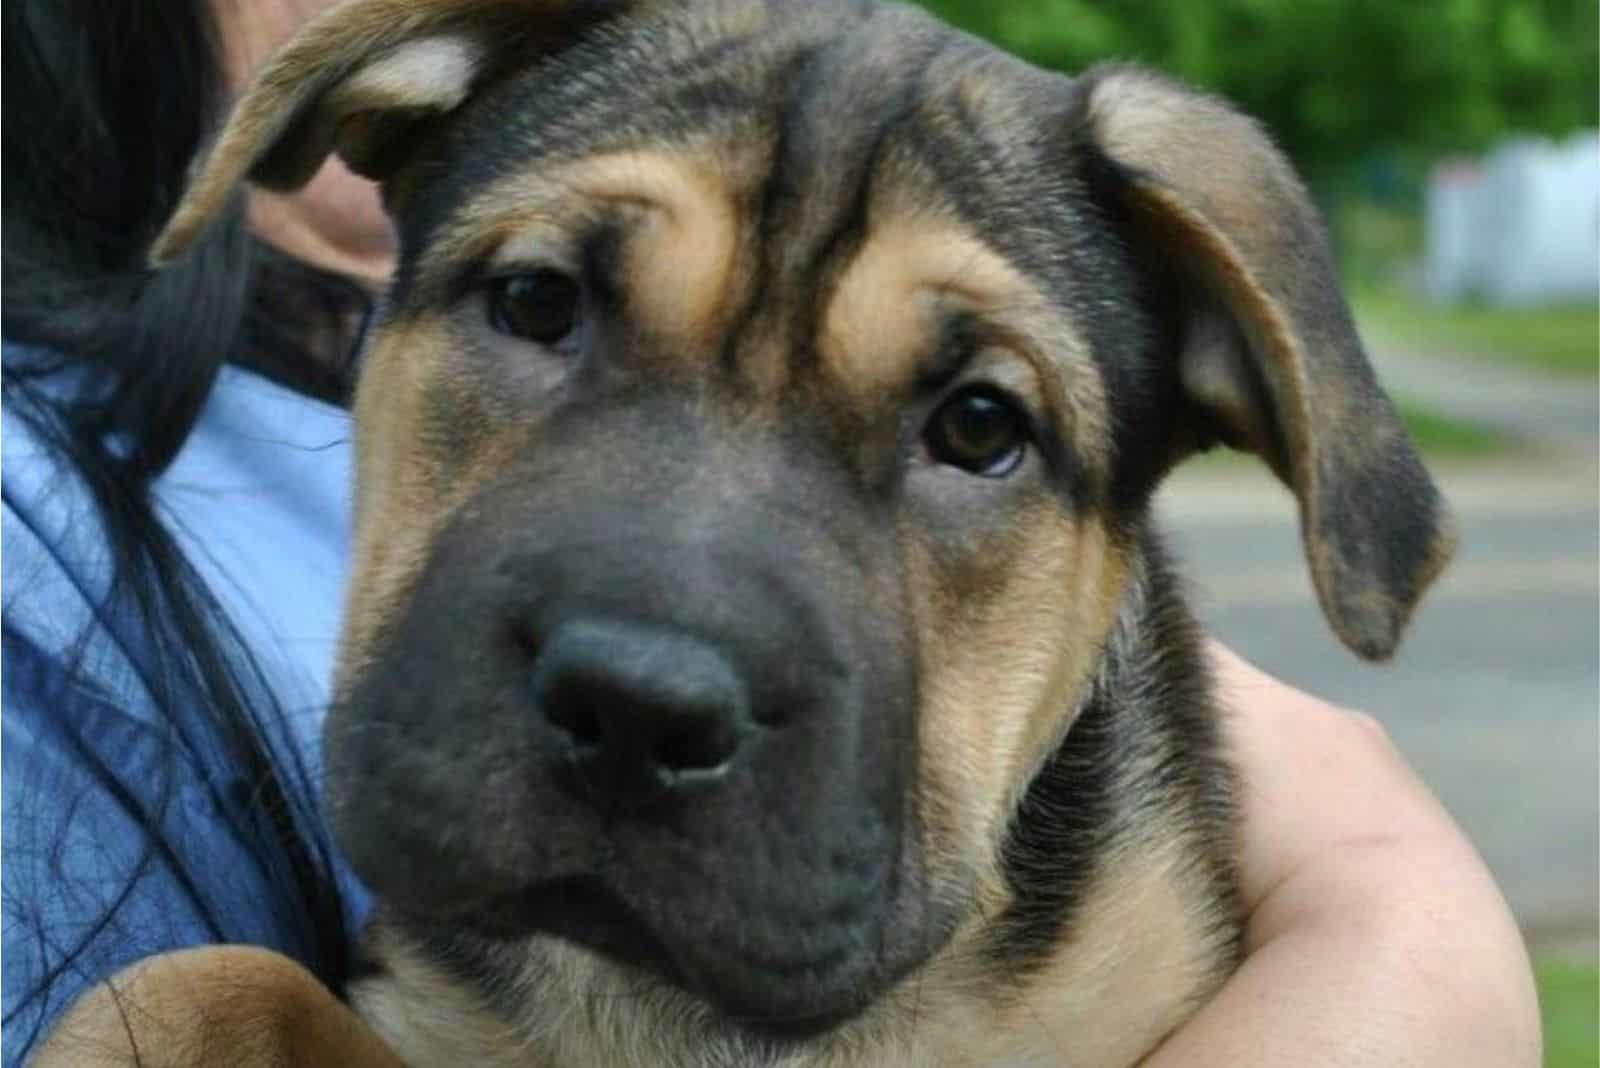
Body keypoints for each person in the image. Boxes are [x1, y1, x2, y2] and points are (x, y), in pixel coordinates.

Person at [0, 2, 1541, 1065]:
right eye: (542, 305)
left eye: (975, 425)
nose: (660, 652)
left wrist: (1398, 916)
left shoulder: (1149, 942)